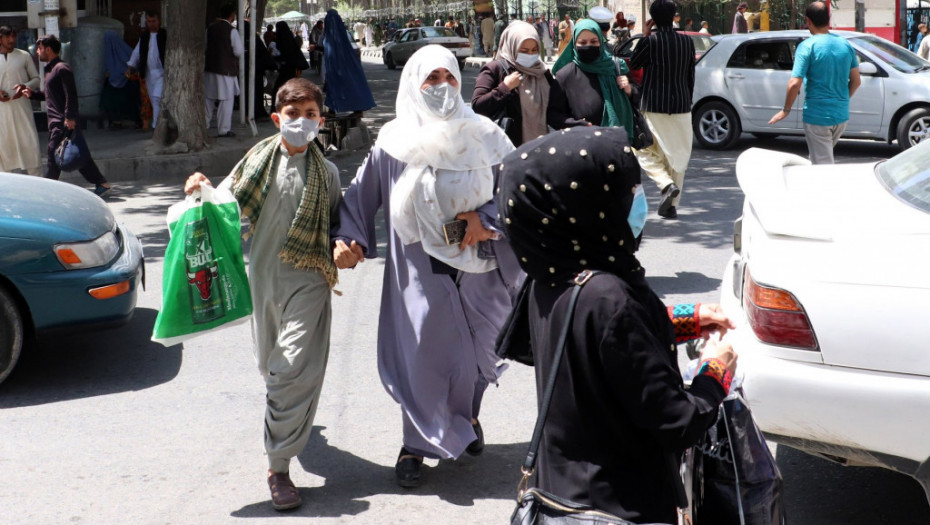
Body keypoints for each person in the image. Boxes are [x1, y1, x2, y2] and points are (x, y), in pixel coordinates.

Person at [496, 126, 738, 525]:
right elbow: (679, 421)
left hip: (560, 491)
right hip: (617, 505)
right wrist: (716, 369)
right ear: (586, 203)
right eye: (627, 191)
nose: (635, 200)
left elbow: (599, 347)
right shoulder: (608, 297)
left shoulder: (550, 274)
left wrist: (688, 320)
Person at [330, 45, 520, 488]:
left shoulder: (487, 136)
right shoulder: (394, 142)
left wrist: (484, 219)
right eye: (431, 80)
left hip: (481, 265)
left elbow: (517, 194)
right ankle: (414, 445)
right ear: (414, 85)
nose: (441, 88)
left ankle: (466, 419)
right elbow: (362, 196)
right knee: (423, 356)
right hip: (419, 269)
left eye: (449, 78)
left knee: (477, 355)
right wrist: (348, 240)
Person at [183, 77, 342, 512]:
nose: (301, 123)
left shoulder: (328, 174)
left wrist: (343, 245)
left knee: (290, 368)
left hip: (309, 280)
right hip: (264, 279)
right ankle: (289, 424)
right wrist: (199, 186)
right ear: (277, 119)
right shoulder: (256, 162)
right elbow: (221, 206)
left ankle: (278, 467)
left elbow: (336, 226)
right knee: (270, 368)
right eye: (293, 115)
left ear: (321, 121)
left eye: (311, 115)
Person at [768, 1, 860, 165]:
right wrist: (842, 100)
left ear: (808, 21)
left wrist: (785, 111)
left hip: (818, 117)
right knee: (819, 158)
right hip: (841, 116)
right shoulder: (845, 45)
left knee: (822, 167)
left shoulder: (807, 46)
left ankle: (826, 191)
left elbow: (794, 83)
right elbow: (856, 81)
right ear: (829, 19)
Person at [630, 0, 696, 220]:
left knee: (644, 150)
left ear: (653, 19)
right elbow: (690, 76)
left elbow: (635, 63)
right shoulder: (687, 43)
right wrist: (687, 100)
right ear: (674, 16)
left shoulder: (652, 41)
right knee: (678, 157)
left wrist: (644, 35)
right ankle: (672, 205)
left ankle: (665, 184)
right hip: (681, 106)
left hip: (654, 105)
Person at [23, 35, 111, 195]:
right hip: (58, 121)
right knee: (78, 153)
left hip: (62, 121)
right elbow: (51, 95)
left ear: (48, 49)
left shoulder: (62, 68)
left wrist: (69, 117)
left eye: (39, 48)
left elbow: (71, 94)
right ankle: (101, 182)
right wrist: (32, 95)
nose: (37, 52)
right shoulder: (51, 69)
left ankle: (46, 191)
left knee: (52, 155)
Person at [472, 21, 558, 147]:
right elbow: (477, 106)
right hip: (507, 150)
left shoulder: (542, 72)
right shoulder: (495, 69)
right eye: (524, 50)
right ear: (511, 46)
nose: (530, 55)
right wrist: (505, 88)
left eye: (534, 50)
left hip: (541, 149)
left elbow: (556, 108)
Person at [549, 20, 635, 141]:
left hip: (617, 144)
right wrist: (573, 124)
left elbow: (637, 96)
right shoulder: (565, 75)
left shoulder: (616, 66)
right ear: (574, 44)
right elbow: (553, 114)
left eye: (594, 41)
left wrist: (628, 89)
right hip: (582, 145)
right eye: (582, 42)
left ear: (600, 41)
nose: (588, 46)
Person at [0, 26, 41, 175]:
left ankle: (38, 187)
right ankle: (6, 192)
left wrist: (25, 87)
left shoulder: (24, 55)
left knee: (30, 145)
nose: (11, 40)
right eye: (7, 37)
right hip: (2, 113)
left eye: (13, 36)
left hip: (22, 108)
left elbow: (36, 79)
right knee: (4, 149)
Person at [322, 9, 375, 114]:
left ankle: (333, 109)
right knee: (351, 83)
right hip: (347, 66)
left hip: (334, 68)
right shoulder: (343, 34)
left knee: (335, 85)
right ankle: (357, 108)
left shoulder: (328, 37)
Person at [204, 3, 243, 138]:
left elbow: (205, 46)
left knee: (208, 100)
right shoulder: (232, 31)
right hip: (226, 70)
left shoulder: (210, 29)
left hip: (210, 68)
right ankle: (223, 129)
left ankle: (204, 125)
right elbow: (238, 51)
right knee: (226, 101)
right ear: (232, 15)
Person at [126, 11, 165, 129]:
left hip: (162, 73)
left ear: (159, 21)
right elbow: (137, 53)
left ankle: (156, 126)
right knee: (154, 99)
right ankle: (158, 123)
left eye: (154, 21)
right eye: (149, 21)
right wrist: (130, 66)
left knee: (158, 97)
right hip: (148, 73)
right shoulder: (144, 37)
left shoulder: (164, 35)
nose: (151, 24)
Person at [272, 20, 309, 110]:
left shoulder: (283, 39)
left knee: (279, 89)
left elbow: (286, 55)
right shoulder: (289, 38)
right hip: (292, 69)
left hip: (287, 68)